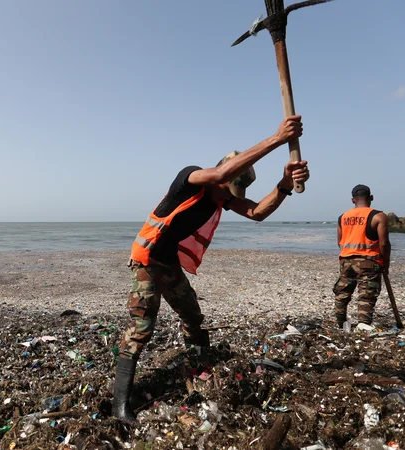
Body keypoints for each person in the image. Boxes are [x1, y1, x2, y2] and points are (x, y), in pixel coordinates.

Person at [112, 115, 309, 422]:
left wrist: (284, 184)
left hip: (169, 263)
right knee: (141, 327)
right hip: (148, 259)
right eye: (227, 190)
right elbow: (221, 171)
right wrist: (277, 138)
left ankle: (199, 362)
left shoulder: (222, 197)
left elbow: (258, 213)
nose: (228, 199)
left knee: (192, 314)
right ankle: (120, 403)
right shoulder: (190, 178)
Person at [333, 184, 390, 329]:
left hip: (346, 260)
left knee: (342, 293)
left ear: (353, 200)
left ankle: (340, 323)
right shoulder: (378, 216)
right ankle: (363, 325)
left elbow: (340, 241)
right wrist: (385, 263)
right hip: (369, 262)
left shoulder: (342, 217)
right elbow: (384, 244)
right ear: (371, 197)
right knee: (366, 295)